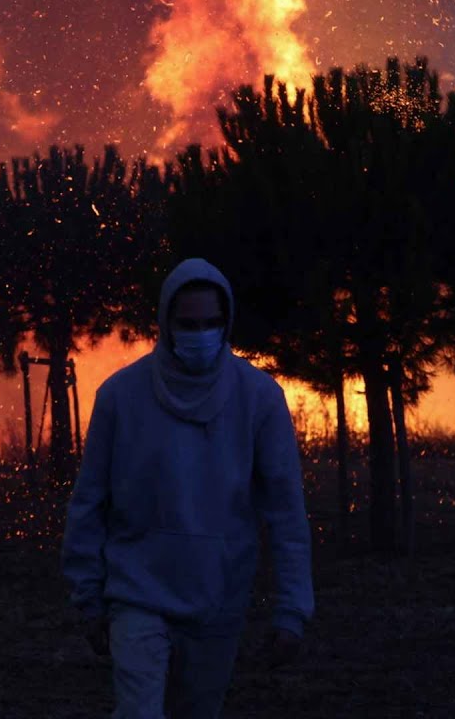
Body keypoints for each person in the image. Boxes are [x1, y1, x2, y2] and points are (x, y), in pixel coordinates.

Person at [61, 258, 314, 719]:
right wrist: (88, 597)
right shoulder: (120, 396)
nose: (201, 334)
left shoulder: (258, 397)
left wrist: (293, 609)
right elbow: (89, 502)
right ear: (165, 322)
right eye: (189, 323)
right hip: (136, 594)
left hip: (218, 600)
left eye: (211, 323)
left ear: (227, 322)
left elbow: (286, 513)